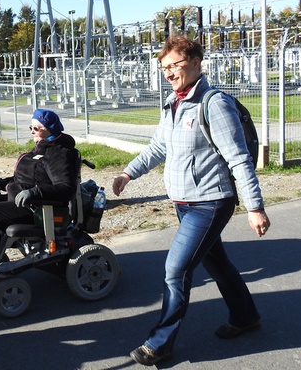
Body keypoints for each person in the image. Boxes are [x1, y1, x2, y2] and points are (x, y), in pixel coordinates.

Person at [111, 35, 271, 367]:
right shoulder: (173, 103)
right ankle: (245, 317)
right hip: (184, 202)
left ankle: (160, 343)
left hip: (211, 202)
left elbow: (239, 159)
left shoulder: (214, 104)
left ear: (196, 62)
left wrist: (254, 207)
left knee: (176, 268)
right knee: (217, 264)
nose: (169, 72)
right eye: (164, 67)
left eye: (175, 65)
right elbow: (158, 147)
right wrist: (128, 173)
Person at [0, 109, 80, 281]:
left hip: (43, 210)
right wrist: (2, 183)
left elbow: (66, 188)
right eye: (31, 128)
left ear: (50, 129)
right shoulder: (42, 147)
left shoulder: (58, 153)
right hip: (27, 202)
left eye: (36, 128)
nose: (32, 132)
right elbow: (30, 177)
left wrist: (33, 192)